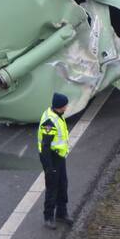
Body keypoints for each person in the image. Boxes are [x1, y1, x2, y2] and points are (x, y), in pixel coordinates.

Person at [39, 93, 73, 229]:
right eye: (65, 105)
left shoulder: (57, 115)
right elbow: (45, 147)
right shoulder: (50, 122)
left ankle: (61, 213)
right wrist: (49, 168)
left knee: (62, 185)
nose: (67, 107)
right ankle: (48, 217)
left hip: (59, 157)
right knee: (52, 189)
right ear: (60, 106)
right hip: (52, 158)